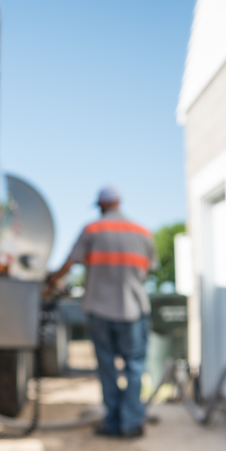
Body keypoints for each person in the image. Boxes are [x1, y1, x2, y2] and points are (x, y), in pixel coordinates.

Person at [46, 185, 156, 438]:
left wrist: (51, 282)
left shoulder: (92, 229)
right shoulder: (142, 231)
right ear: (119, 203)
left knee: (107, 366)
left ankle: (114, 423)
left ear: (101, 205)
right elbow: (146, 270)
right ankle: (132, 423)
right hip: (134, 308)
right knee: (135, 367)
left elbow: (70, 263)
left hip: (99, 307)